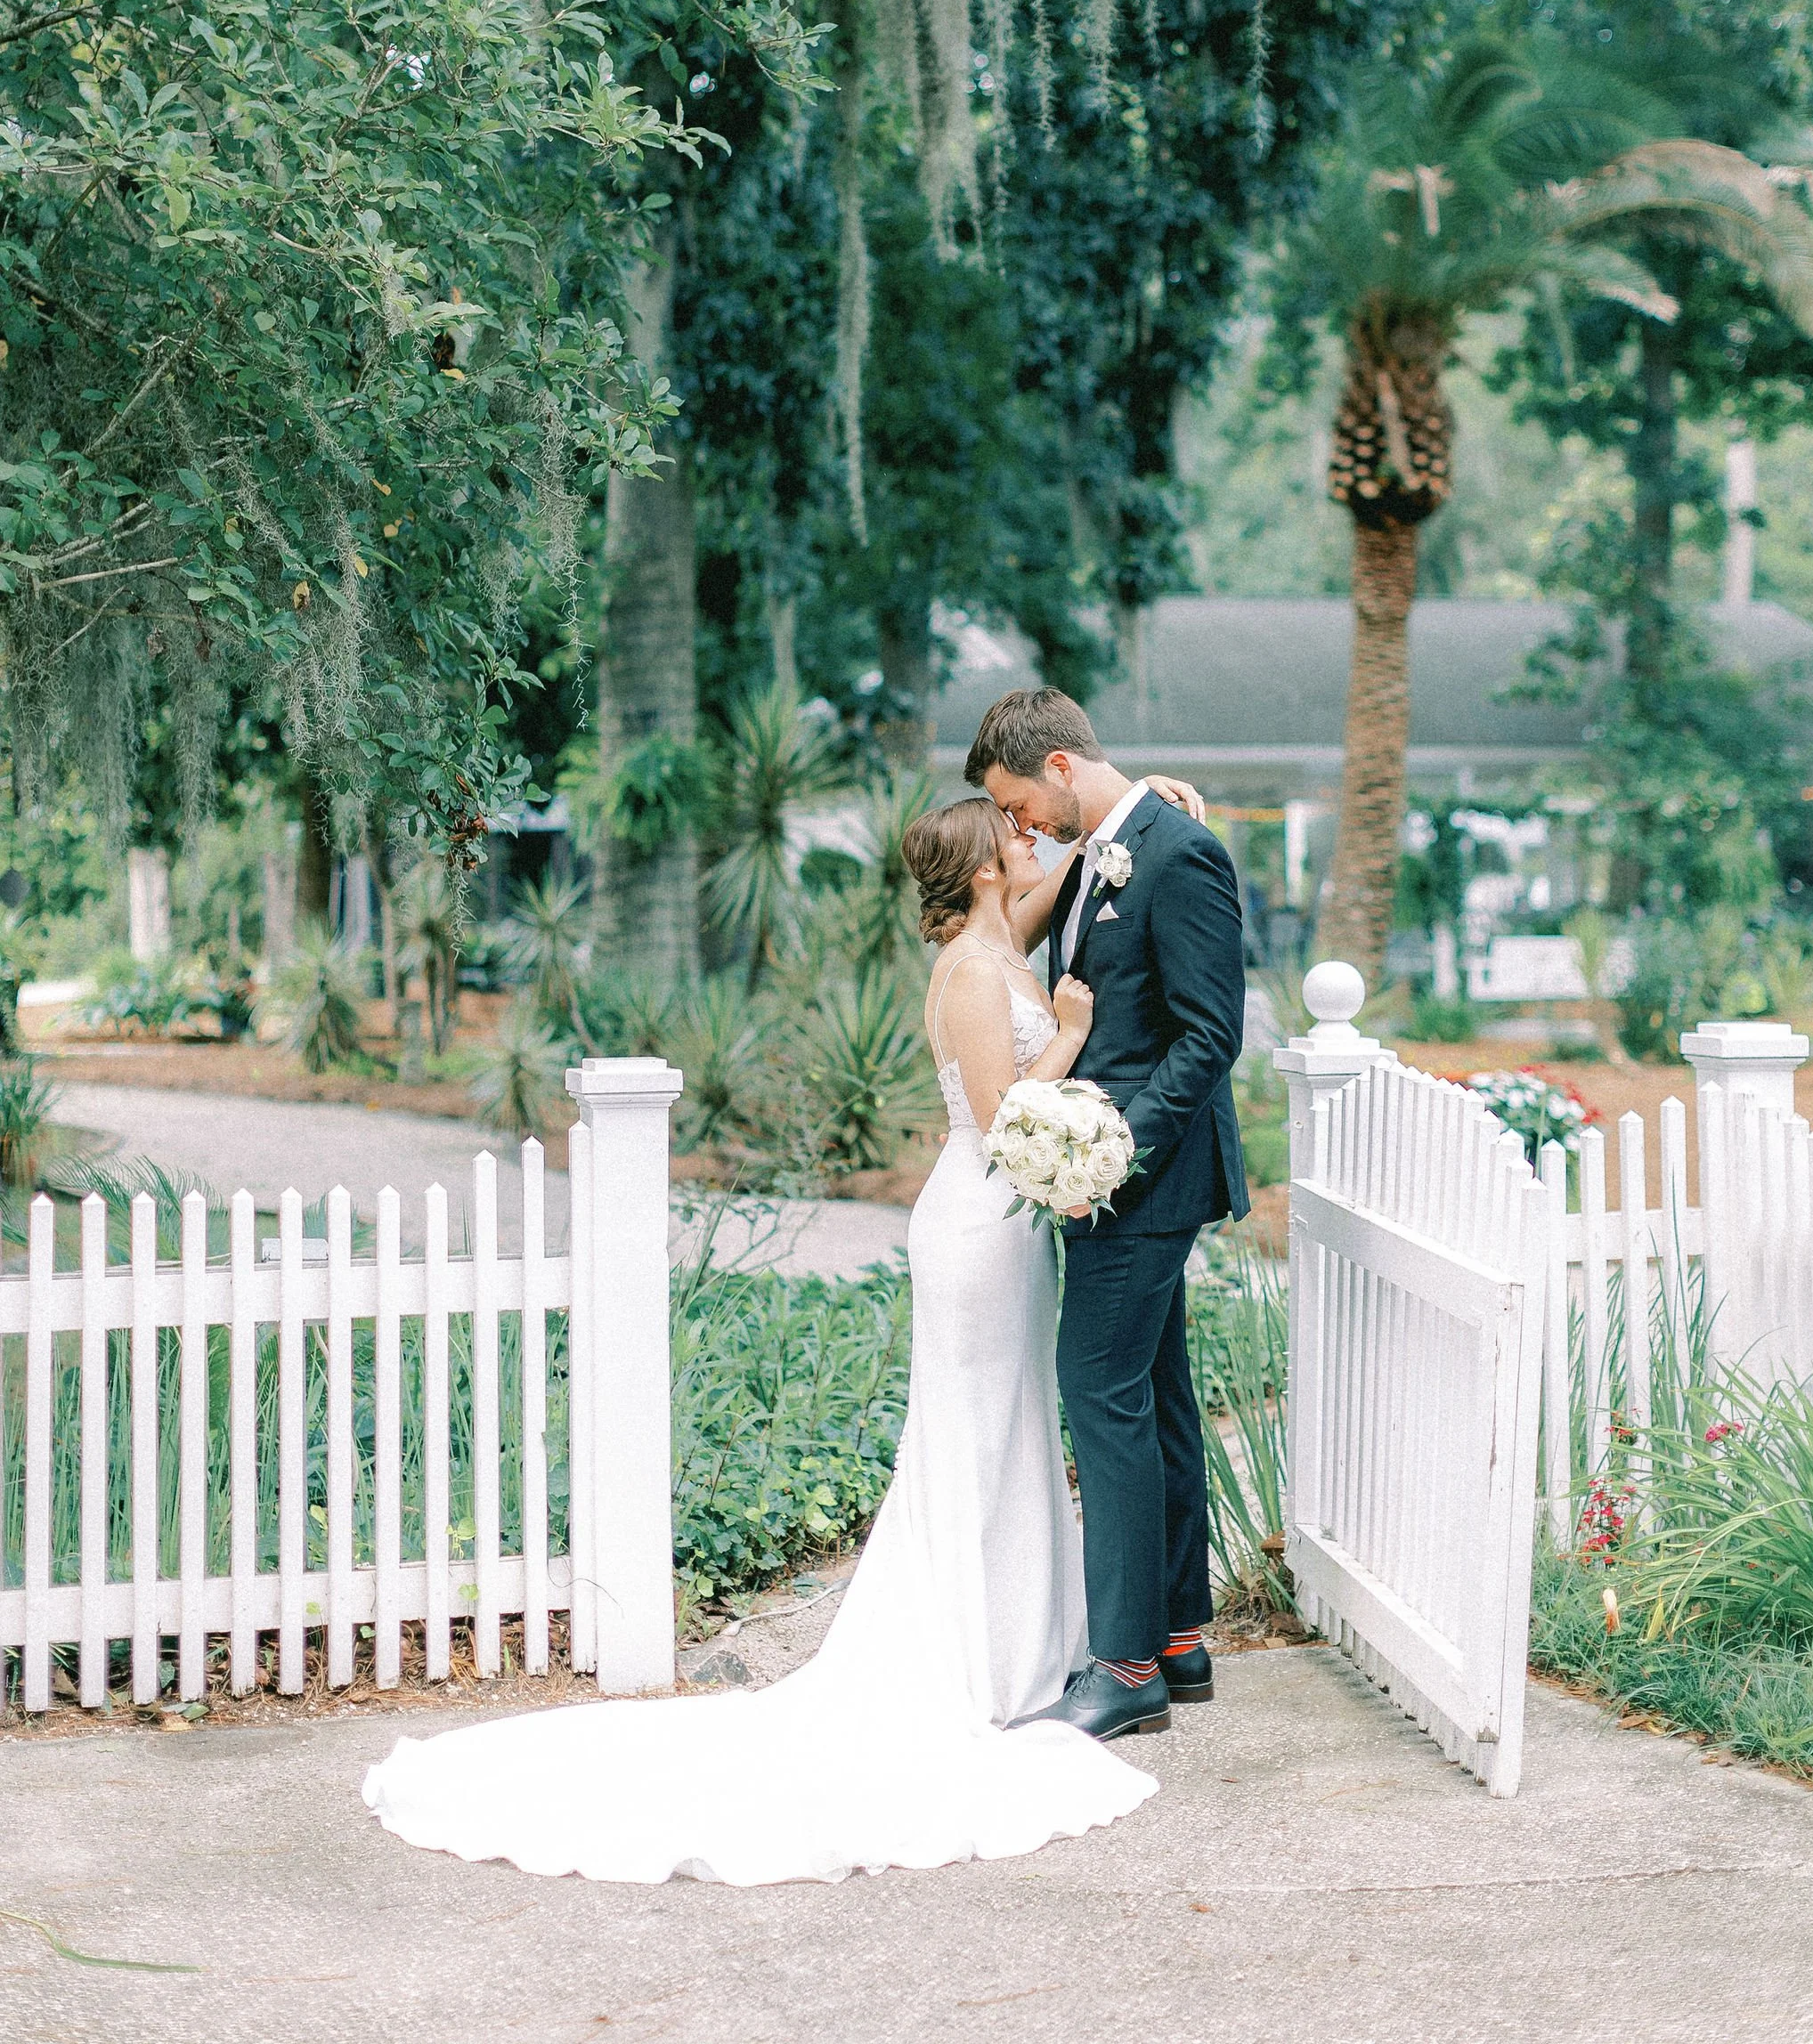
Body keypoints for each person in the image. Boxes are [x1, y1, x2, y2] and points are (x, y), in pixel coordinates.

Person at [362, 775, 1202, 1887]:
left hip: (1005, 1231)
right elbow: (1005, 1120)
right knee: (969, 1428)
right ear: (986, 871)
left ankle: (1021, 1642)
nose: (1033, 843)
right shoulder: (965, 974)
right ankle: (968, 1656)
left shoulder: (999, 940)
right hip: (973, 1223)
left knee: (1005, 1424)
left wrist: (1148, 803)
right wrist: (1078, 1034)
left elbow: (1072, 877)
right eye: (1016, 838)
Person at [967, 685, 1247, 1744]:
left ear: (1055, 767)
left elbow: (1209, 1035)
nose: (1020, 829)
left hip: (1140, 1177)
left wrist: (1115, 1150)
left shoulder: (1176, 854)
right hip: (1107, 1171)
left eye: (1019, 805)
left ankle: (1122, 1663)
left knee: (1099, 1393)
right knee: (1156, 1392)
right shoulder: (1103, 850)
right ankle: (1175, 1636)